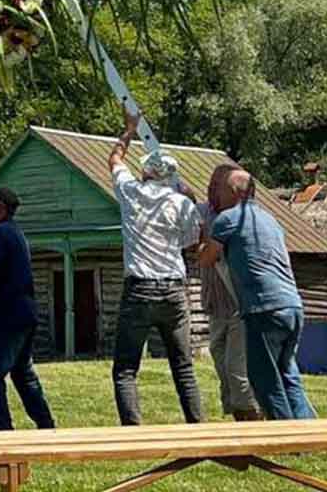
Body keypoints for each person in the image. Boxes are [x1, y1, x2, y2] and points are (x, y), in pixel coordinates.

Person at [107, 108, 204, 426]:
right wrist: (187, 195)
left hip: (140, 287)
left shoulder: (131, 192)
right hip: (173, 288)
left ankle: (134, 430)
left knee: (125, 368)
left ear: (146, 172)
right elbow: (191, 240)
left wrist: (129, 130)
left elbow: (115, 161)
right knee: (183, 364)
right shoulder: (181, 204)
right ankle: (197, 424)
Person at [204, 171, 316, 420]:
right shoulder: (270, 219)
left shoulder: (227, 219)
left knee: (264, 378)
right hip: (292, 306)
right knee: (287, 372)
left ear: (235, 192)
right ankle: (307, 431)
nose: (215, 195)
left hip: (263, 308)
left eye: (220, 189)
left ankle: (285, 437)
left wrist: (201, 241)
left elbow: (207, 258)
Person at [0, 187, 56, 430]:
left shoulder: (0, 233)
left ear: (3, 207)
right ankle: (46, 423)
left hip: (7, 316)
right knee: (22, 372)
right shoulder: (16, 233)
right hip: (25, 313)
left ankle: (2, 429)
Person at [199, 163, 261, 422]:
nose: (213, 190)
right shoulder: (207, 212)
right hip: (216, 306)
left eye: (218, 186)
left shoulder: (238, 218)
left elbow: (207, 255)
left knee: (239, 371)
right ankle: (238, 427)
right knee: (224, 369)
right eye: (212, 185)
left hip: (239, 305)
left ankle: (254, 428)